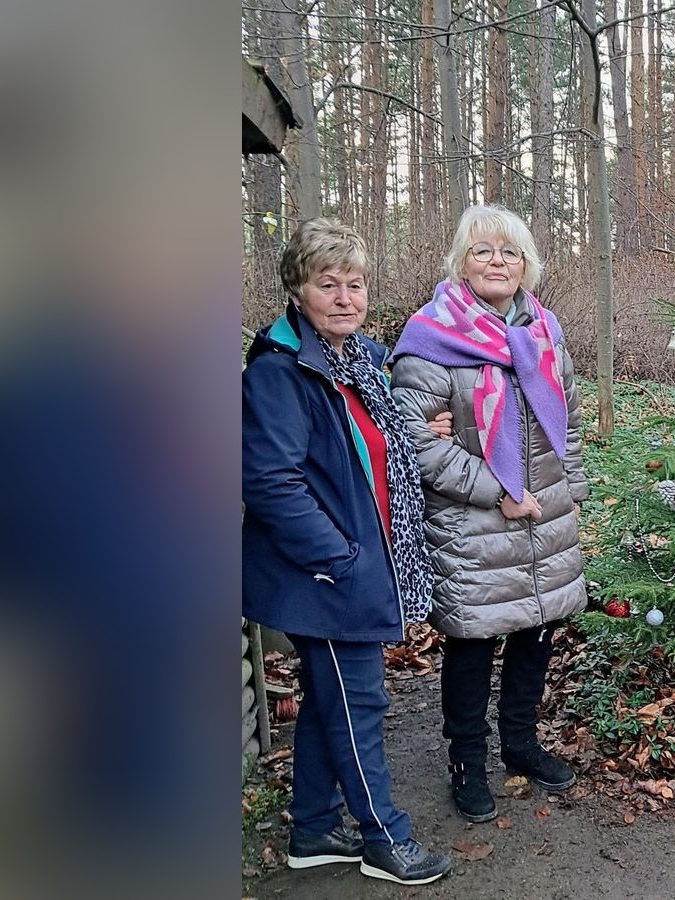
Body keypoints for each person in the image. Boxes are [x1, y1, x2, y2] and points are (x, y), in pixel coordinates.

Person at [241, 220, 452, 885]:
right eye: (326, 284)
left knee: (331, 698)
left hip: (356, 564)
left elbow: (363, 450)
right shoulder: (282, 372)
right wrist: (338, 556)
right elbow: (270, 481)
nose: (343, 297)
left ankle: (311, 827)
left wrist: (415, 429)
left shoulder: (360, 362)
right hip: (325, 577)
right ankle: (384, 837)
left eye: (354, 284)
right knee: (359, 705)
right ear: (297, 291)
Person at [390, 204, 589, 824]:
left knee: (536, 631)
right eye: (483, 252)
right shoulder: (430, 338)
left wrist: (571, 491)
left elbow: (568, 417)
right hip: (475, 521)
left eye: (509, 252)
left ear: (526, 264)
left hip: (545, 514)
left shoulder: (544, 329)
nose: (498, 262)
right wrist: (494, 491)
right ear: (460, 263)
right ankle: (467, 763)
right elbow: (416, 441)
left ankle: (522, 745)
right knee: (473, 642)